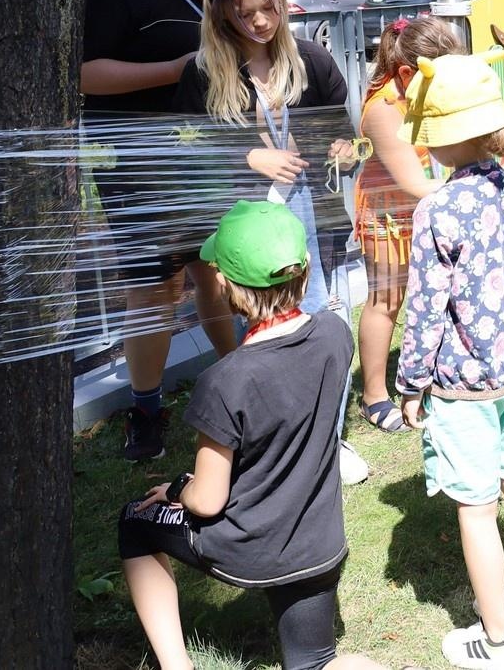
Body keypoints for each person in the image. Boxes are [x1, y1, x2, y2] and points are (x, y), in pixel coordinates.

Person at [116, 201, 387, 670]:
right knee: (317, 663)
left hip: (250, 550)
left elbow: (207, 501)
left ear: (223, 284)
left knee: (133, 525)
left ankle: (176, 665)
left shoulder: (225, 381)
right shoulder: (335, 333)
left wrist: (178, 487)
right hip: (317, 548)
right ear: (302, 271)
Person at [172, 0, 365, 483]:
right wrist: (248, 156)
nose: (259, 22)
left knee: (320, 320)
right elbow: (187, 144)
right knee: (262, 328)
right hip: (248, 229)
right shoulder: (204, 74)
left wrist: (346, 151)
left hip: (312, 219)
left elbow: (344, 131)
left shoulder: (311, 60)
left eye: (268, 8)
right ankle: (275, 436)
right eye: (244, 13)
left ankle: (329, 437)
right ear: (221, 16)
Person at [395, 54, 504, 670]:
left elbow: (426, 308)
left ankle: (498, 640)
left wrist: (410, 383)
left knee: (477, 506)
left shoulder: (437, 208)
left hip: (465, 384)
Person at [82, 0, 249, 462]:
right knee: (155, 290)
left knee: (216, 271)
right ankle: (146, 408)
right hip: (135, 169)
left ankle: (239, 384)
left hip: (205, 162)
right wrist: (177, 68)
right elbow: (85, 75)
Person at [353, 16, 462, 431]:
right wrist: (471, 186)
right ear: (405, 73)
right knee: (387, 302)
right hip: (387, 215)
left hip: (425, 206)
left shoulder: (418, 89)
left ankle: (428, 376)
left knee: (432, 294)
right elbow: (414, 183)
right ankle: (374, 395)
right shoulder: (383, 110)